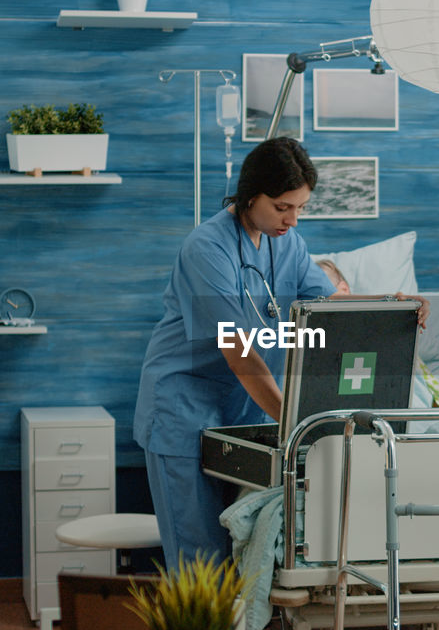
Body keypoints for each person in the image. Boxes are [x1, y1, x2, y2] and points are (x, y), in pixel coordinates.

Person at [133, 138, 338, 564]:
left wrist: (395, 304)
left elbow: (329, 307)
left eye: (300, 208)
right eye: (283, 207)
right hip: (184, 411)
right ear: (250, 195)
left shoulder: (288, 245)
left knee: (242, 548)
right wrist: (294, 421)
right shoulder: (207, 248)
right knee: (200, 560)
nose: (293, 220)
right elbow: (239, 353)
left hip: (245, 412)